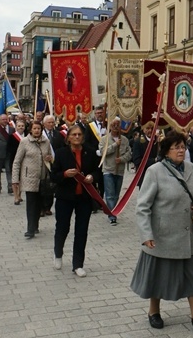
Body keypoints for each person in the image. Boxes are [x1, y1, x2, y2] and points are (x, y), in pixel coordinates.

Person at [130, 131, 193, 331]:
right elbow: (142, 207)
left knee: (192, 274)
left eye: (183, 146)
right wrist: (146, 234)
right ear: (166, 150)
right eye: (176, 147)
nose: (181, 150)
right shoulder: (155, 171)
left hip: (186, 233)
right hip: (162, 234)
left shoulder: (191, 168)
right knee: (157, 274)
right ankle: (154, 311)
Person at [50, 124, 98, 276]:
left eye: (79, 135)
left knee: (81, 230)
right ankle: (58, 253)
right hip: (65, 197)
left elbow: (97, 170)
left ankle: (78, 264)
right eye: (74, 135)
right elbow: (54, 176)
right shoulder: (61, 153)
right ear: (68, 137)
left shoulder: (89, 152)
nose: (77, 137)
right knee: (62, 227)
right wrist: (64, 174)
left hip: (84, 197)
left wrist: (92, 177)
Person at [11, 121, 53, 239]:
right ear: (30, 130)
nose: (36, 131)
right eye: (34, 128)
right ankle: (30, 229)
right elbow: (17, 161)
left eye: (39, 128)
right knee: (31, 203)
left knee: (39, 203)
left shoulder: (46, 142)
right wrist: (15, 179)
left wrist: (50, 159)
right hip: (29, 178)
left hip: (42, 178)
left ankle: (35, 225)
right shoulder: (24, 142)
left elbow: (50, 158)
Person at [101, 118, 131, 225]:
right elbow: (102, 152)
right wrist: (114, 145)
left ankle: (114, 210)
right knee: (109, 194)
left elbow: (129, 154)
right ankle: (112, 215)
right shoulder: (104, 139)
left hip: (120, 170)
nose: (115, 126)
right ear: (109, 126)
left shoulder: (125, 140)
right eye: (113, 124)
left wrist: (121, 159)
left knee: (116, 194)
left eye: (117, 124)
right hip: (108, 170)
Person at [132, 121, 159, 188]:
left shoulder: (159, 141)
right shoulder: (138, 142)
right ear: (143, 129)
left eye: (152, 128)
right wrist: (154, 160)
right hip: (144, 176)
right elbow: (137, 160)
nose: (150, 130)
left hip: (158, 176)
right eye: (148, 128)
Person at [8, 117, 27, 203]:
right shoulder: (12, 137)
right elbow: (9, 149)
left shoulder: (27, 136)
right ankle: (15, 197)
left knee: (22, 178)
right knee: (15, 178)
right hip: (14, 160)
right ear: (16, 127)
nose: (21, 127)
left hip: (26, 160)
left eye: (22, 126)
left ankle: (19, 195)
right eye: (19, 126)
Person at [0, 114, 12, 194]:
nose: (5, 121)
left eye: (6, 119)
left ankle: (10, 186)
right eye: (3, 119)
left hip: (9, 153)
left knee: (9, 170)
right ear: (0, 121)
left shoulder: (12, 129)